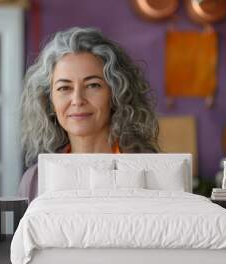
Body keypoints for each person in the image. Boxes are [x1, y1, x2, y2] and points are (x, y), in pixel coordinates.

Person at [17, 27, 159, 202]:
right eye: (64, 88)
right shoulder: (34, 180)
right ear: (49, 101)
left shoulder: (152, 171)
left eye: (93, 85)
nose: (77, 100)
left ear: (116, 94)